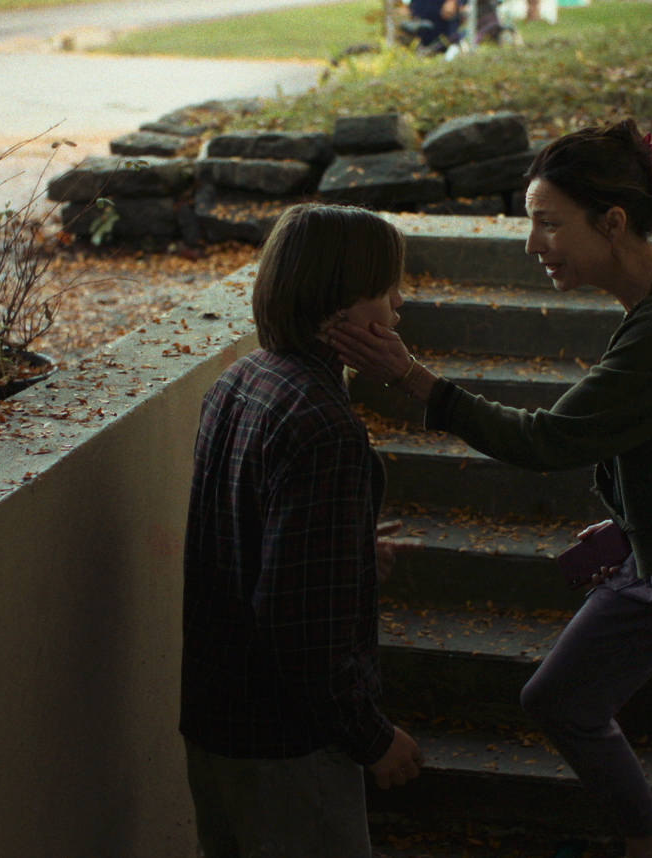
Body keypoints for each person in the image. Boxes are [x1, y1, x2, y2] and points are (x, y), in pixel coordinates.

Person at [328, 121, 652, 858]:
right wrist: (626, 526)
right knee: (559, 698)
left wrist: (414, 378)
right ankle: (643, 835)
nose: (531, 243)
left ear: (612, 223)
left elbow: (547, 440)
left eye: (548, 223)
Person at [180, 203, 426, 858]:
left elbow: (250, 548)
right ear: (335, 311)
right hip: (287, 749)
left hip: (217, 724)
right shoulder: (324, 426)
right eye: (385, 287)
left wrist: (345, 556)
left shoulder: (241, 381)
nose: (400, 303)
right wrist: (372, 737)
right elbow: (296, 628)